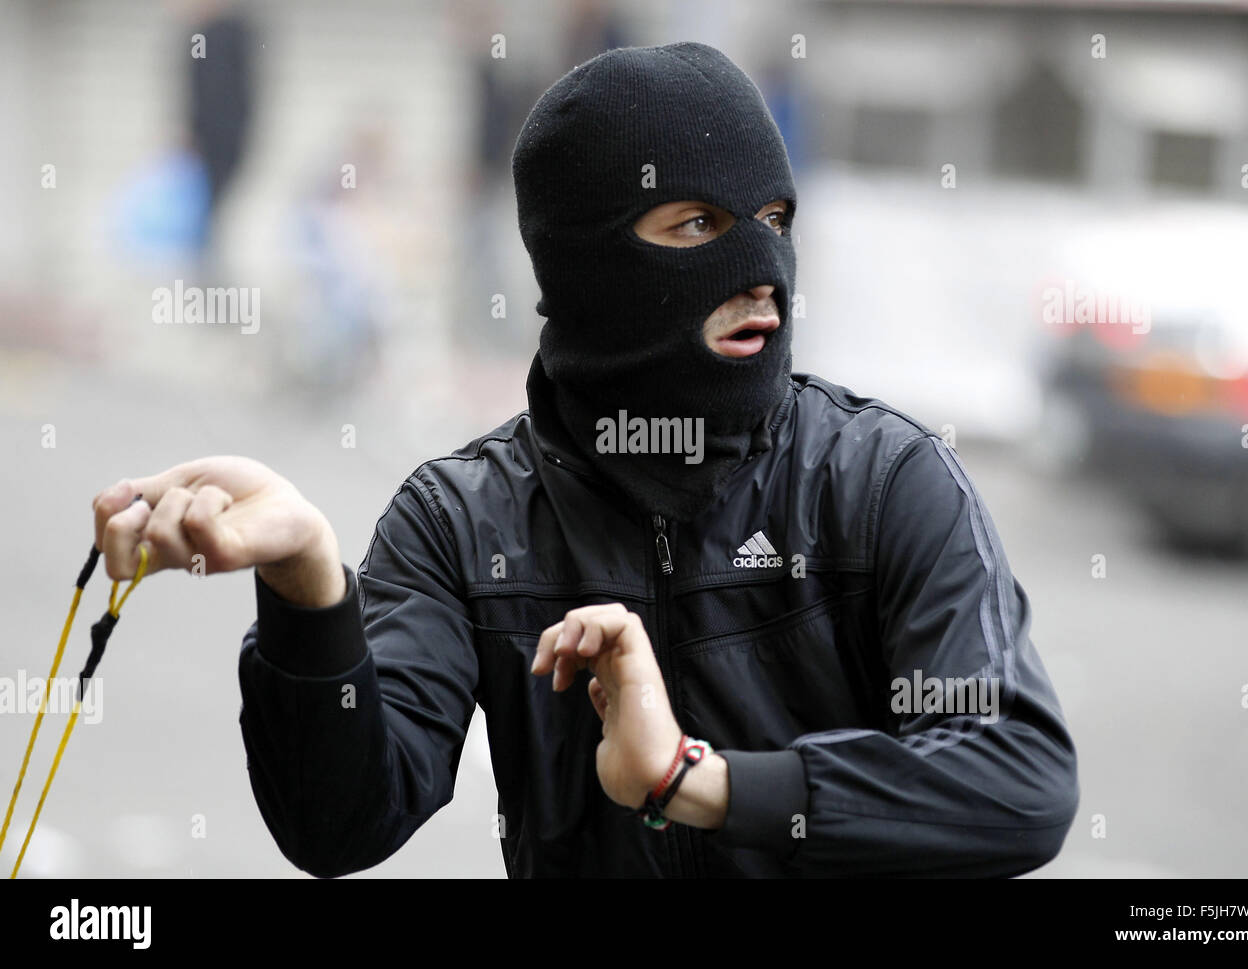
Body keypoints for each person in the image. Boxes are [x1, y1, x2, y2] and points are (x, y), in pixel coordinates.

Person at [90, 43, 1078, 877]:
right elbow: (341, 823)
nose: (762, 273)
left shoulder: (879, 479)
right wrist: (309, 590)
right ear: (588, 261)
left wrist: (695, 784)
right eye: (700, 225)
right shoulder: (462, 519)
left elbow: (1017, 774)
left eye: (774, 222)